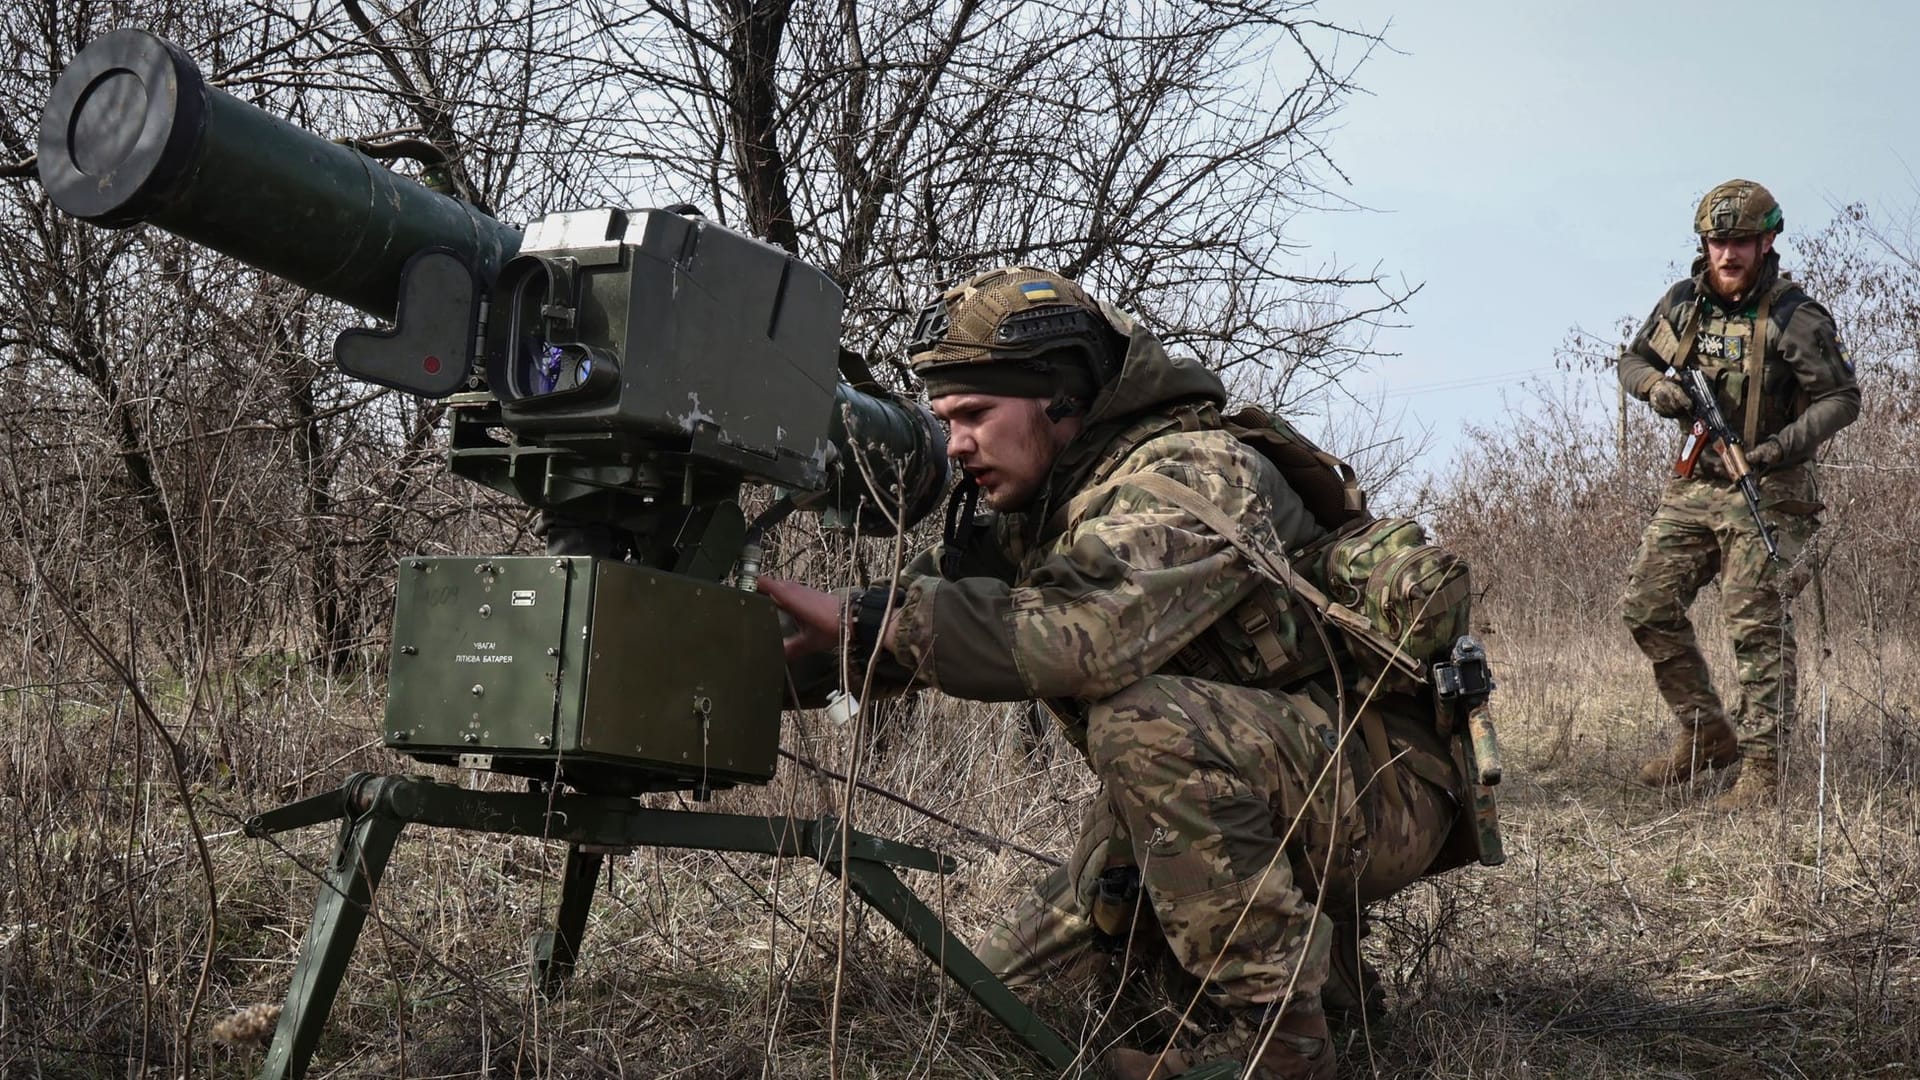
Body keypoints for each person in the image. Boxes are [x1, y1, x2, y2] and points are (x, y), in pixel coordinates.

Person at [761, 267, 1473, 1079]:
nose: (954, 444)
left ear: (1061, 399)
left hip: (1379, 786)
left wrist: (872, 620)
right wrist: (738, 649)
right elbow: (908, 611)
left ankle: (1282, 1043)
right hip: (1252, 787)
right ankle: (1330, 990)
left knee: (1143, 721)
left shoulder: (1193, 476)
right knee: (996, 1001)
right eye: (944, 419)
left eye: (974, 415)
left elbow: (1074, 633)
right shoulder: (1050, 501)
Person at [1617, 179, 1859, 811]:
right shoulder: (1683, 305)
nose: (1728, 254)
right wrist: (1655, 391)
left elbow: (1841, 398)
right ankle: (1704, 734)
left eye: (1742, 242)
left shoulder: (1793, 317)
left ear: (1767, 241)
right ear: (1705, 243)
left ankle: (1764, 772)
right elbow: (1633, 361)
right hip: (1696, 484)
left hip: (1771, 488)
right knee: (1647, 606)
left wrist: (1778, 448)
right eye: (1718, 241)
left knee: (1754, 619)